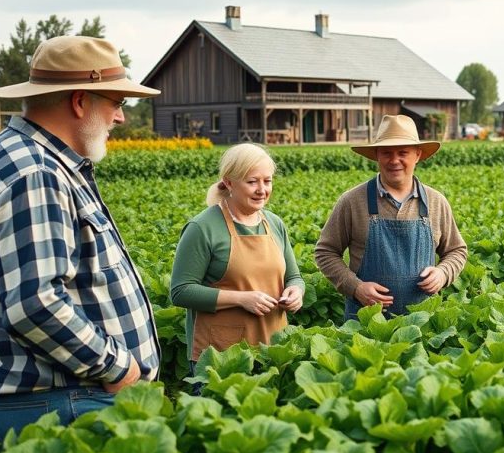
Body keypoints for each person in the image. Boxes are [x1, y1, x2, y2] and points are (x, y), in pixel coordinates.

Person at [0, 36, 162, 440]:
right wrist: (119, 368)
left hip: (67, 396)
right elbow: (36, 303)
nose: (120, 117)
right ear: (79, 101)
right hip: (67, 400)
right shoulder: (35, 173)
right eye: (116, 103)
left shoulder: (33, 159)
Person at [315, 114, 467, 320]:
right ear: (377, 155)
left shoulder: (436, 202)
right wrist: (356, 287)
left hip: (423, 322)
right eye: (386, 153)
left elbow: (456, 251)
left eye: (403, 152)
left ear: (418, 155)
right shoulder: (352, 201)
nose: (394, 160)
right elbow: (326, 252)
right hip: (364, 323)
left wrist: (443, 273)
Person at [170, 144, 304, 372]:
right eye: (252, 182)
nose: (262, 189)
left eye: (267, 181)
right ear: (229, 182)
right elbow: (181, 291)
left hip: (273, 349)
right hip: (221, 356)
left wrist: (296, 292)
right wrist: (241, 299)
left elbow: (294, 277)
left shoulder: (274, 223)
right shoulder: (203, 227)